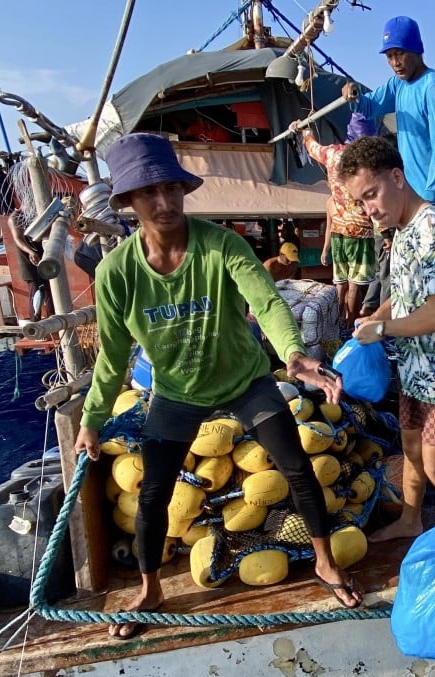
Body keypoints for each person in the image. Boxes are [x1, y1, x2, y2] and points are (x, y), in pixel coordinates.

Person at [73, 134, 362, 639]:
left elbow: (267, 302)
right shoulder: (117, 272)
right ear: (126, 202)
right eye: (147, 194)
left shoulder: (221, 244)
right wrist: (92, 421)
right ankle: (151, 589)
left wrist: (293, 356)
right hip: (177, 394)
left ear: (185, 190)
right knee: (153, 495)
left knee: (295, 465)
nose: (162, 203)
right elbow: (113, 357)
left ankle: (324, 562)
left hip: (245, 381)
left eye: (170, 189)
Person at [337, 135, 435, 543]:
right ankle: (410, 520)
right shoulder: (400, 231)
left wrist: (382, 330)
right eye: (361, 202)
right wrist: (374, 319)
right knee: (412, 452)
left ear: (397, 177)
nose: (370, 210)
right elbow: (404, 300)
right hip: (417, 368)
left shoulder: (433, 227)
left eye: (372, 195)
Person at [341, 16, 435, 205]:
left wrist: (431, 195)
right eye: (389, 56)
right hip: (409, 192)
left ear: (417, 50)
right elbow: (369, 107)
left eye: (399, 53)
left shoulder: (433, 85)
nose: (395, 62)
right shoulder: (397, 84)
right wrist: (354, 94)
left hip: (432, 195)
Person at [293, 112, 377, 328]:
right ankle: (349, 327)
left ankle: (334, 324)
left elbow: (312, 148)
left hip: (339, 232)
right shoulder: (371, 161)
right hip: (361, 233)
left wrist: (305, 131)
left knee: (340, 283)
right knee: (355, 285)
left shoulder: (332, 153)